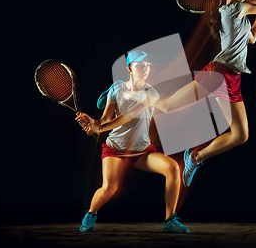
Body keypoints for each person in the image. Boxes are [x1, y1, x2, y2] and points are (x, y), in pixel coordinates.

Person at [156, 0, 256, 187]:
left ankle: (194, 158)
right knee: (166, 105)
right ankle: (126, 91)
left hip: (233, 77)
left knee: (240, 135)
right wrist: (255, 2)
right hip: (218, 74)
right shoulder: (233, 9)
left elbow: (253, 38)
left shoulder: (240, 15)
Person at [76, 50, 189, 233]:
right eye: (140, 64)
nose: (145, 68)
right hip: (116, 149)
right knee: (109, 189)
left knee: (173, 168)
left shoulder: (151, 93)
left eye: (148, 64)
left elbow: (128, 116)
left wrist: (99, 128)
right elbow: (105, 119)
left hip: (142, 151)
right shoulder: (117, 89)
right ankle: (91, 213)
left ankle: (169, 220)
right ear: (129, 67)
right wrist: (92, 123)